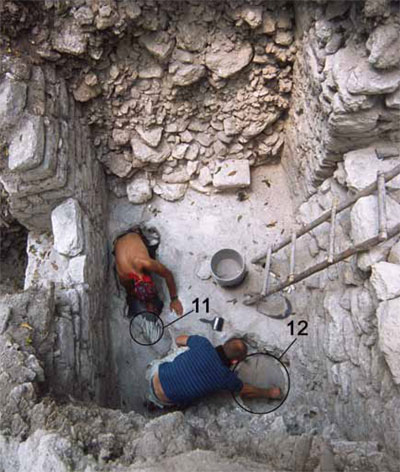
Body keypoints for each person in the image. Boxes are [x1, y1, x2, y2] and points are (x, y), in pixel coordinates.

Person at [146, 335, 282, 409]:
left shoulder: (203, 343)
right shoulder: (225, 377)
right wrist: (269, 392)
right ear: (234, 362)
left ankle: (151, 379)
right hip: (165, 399)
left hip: (156, 374)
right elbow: (246, 390)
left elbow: (179, 339)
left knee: (183, 351)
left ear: (224, 344)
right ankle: (157, 404)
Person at [114, 227, 183, 317]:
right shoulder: (124, 276)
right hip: (125, 239)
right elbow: (131, 292)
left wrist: (174, 299)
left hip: (129, 236)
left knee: (153, 245)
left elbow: (168, 274)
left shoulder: (144, 263)